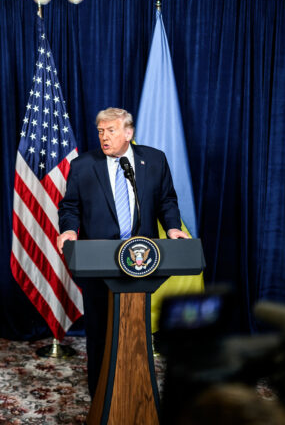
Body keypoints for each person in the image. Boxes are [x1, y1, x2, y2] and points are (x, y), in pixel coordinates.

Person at [56, 107, 188, 398]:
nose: (104, 137)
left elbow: (166, 200)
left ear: (128, 133)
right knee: (100, 331)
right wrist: (69, 230)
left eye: (111, 130)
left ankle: (136, 391)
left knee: (135, 329)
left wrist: (173, 228)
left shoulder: (154, 160)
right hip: (98, 263)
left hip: (141, 260)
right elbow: (70, 206)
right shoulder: (83, 165)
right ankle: (100, 395)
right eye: (100, 131)